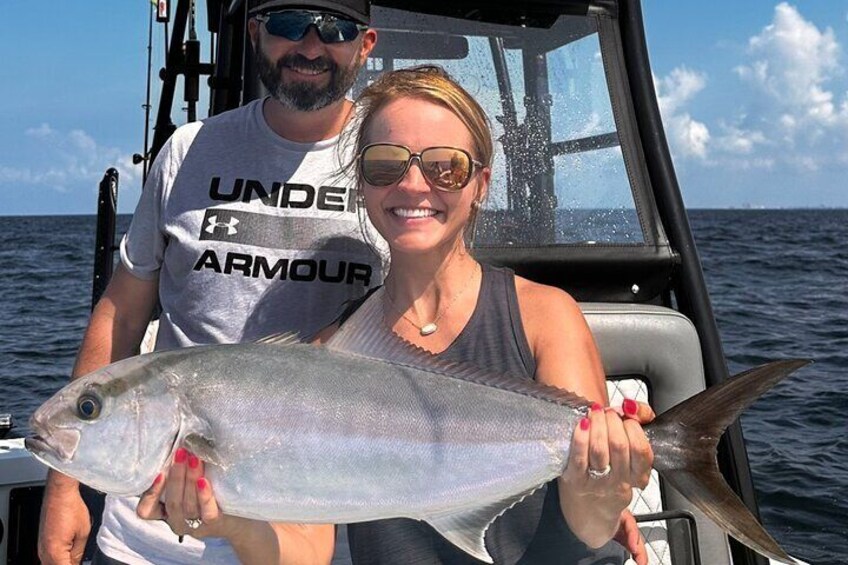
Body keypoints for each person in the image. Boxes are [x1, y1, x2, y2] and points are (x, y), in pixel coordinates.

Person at [142, 66, 655, 564]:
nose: (413, 185)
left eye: (445, 167)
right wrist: (230, 521)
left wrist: (607, 490)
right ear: (361, 184)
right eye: (386, 164)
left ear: (480, 184)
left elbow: (591, 528)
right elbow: (306, 553)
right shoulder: (334, 350)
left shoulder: (545, 317)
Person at [37, 1, 379, 563]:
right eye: (290, 25)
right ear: (256, 34)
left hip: (329, 525)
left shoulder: (395, 168)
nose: (311, 47)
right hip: (152, 533)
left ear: (364, 44)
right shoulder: (187, 152)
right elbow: (122, 311)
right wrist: (64, 487)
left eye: (335, 29)